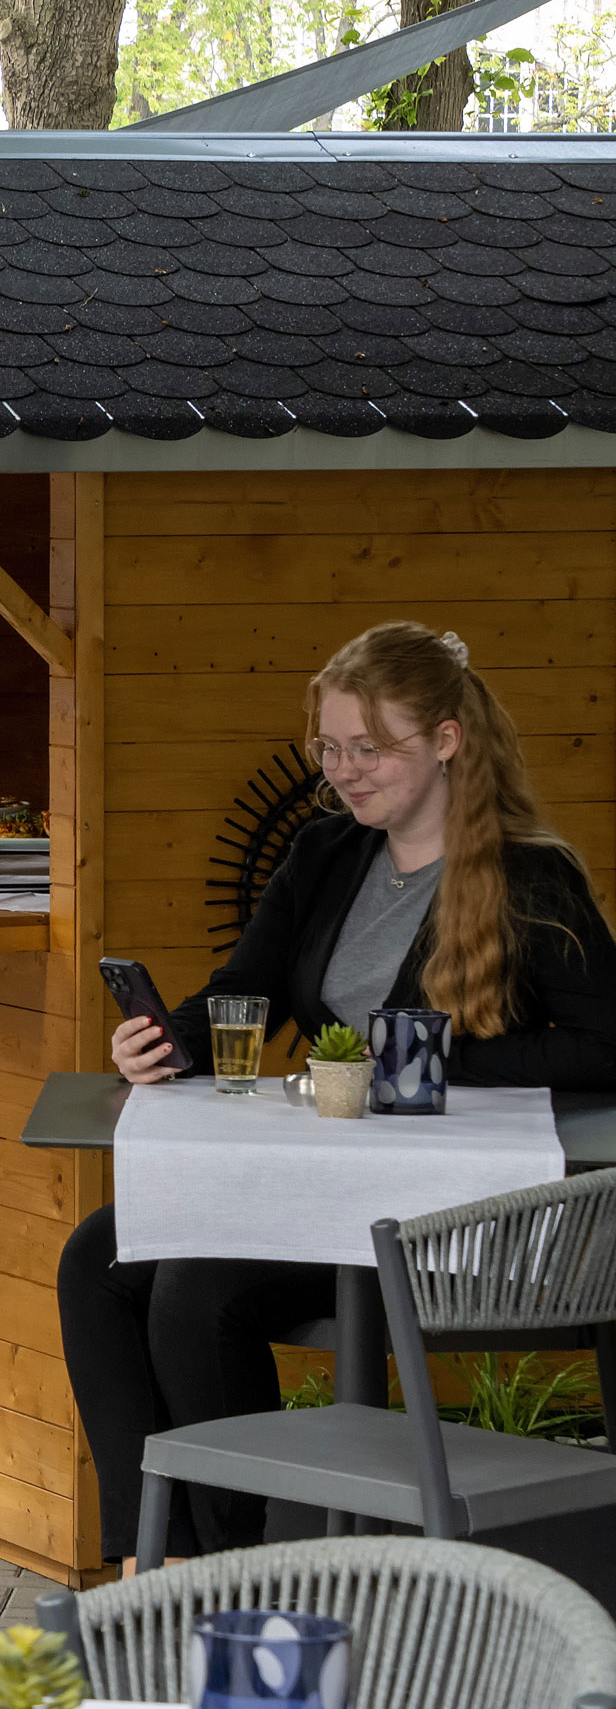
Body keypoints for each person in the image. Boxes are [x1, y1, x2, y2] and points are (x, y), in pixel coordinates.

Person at [58, 621, 616, 1564]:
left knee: (194, 1291)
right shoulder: (326, 853)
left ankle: (257, 1566)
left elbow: (606, 1044)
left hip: (448, 1215)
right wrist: (163, 1039)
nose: (346, 771)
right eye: (331, 747)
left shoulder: (530, 876)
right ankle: (163, 1562)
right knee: (100, 1259)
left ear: (446, 741)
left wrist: (429, 1057)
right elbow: (249, 985)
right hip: (322, 1188)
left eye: (372, 748)